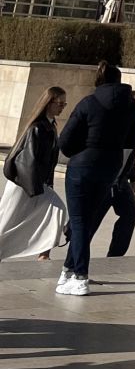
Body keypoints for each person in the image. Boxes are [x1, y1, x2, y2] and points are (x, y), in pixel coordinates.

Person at [56, 61, 135, 296]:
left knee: (80, 221)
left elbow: (65, 142)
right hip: (111, 169)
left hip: (83, 167)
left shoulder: (89, 103)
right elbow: (132, 144)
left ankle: (80, 275)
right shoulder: (132, 108)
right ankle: (68, 270)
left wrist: (82, 151)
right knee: (86, 221)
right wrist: (123, 171)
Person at [0, 86, 68, 261]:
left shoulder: (50, 126)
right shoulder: (37, 128)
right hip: (23, 183)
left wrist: (47, 185)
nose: (62, 107)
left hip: (36, 184)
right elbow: (29, 161)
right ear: (48, 103)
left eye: (64, 104)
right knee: (6, 222)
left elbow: (48, 162)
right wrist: (36, 189)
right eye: (60, 103)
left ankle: (44, 254)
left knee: (58, 209)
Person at [102, 88, 135, 258]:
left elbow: (131, 154)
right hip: (105, 177)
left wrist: (133, 177)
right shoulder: (119, 121)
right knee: (92, 219)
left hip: (121, 179)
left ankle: (115, 256)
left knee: (130, 212)